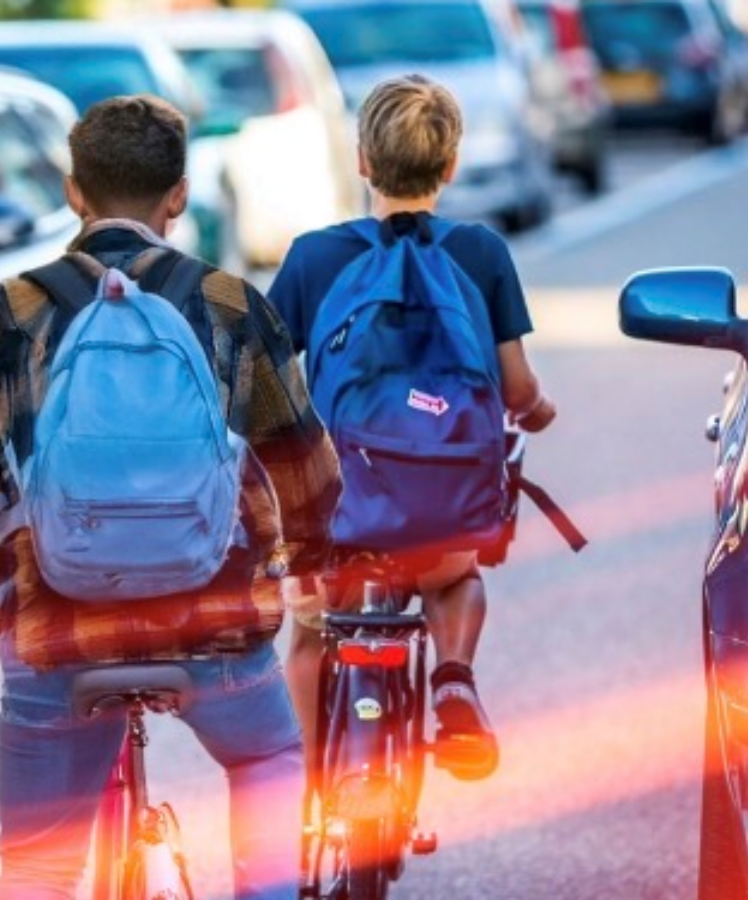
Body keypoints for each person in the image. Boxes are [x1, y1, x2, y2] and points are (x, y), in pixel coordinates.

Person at [0, 94, 342, 899]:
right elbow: (301, 461)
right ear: (179, 195)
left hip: (60, 634)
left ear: (73, 193)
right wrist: (308, 554)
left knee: (39, 867)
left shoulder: (11, 311)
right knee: (267, 759)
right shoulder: (230, 304)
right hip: (213, 622)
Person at [266, 74, 560, 783]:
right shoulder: (481, 254)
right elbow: (514, 386)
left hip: (339, 519)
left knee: (309, 632)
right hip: (439, 515)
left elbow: (268, 382)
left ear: (362, 160)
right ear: (451, 165)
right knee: (459, 577)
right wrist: (537, 409)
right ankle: (454, 676)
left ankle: (306, 784)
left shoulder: (313, 256)